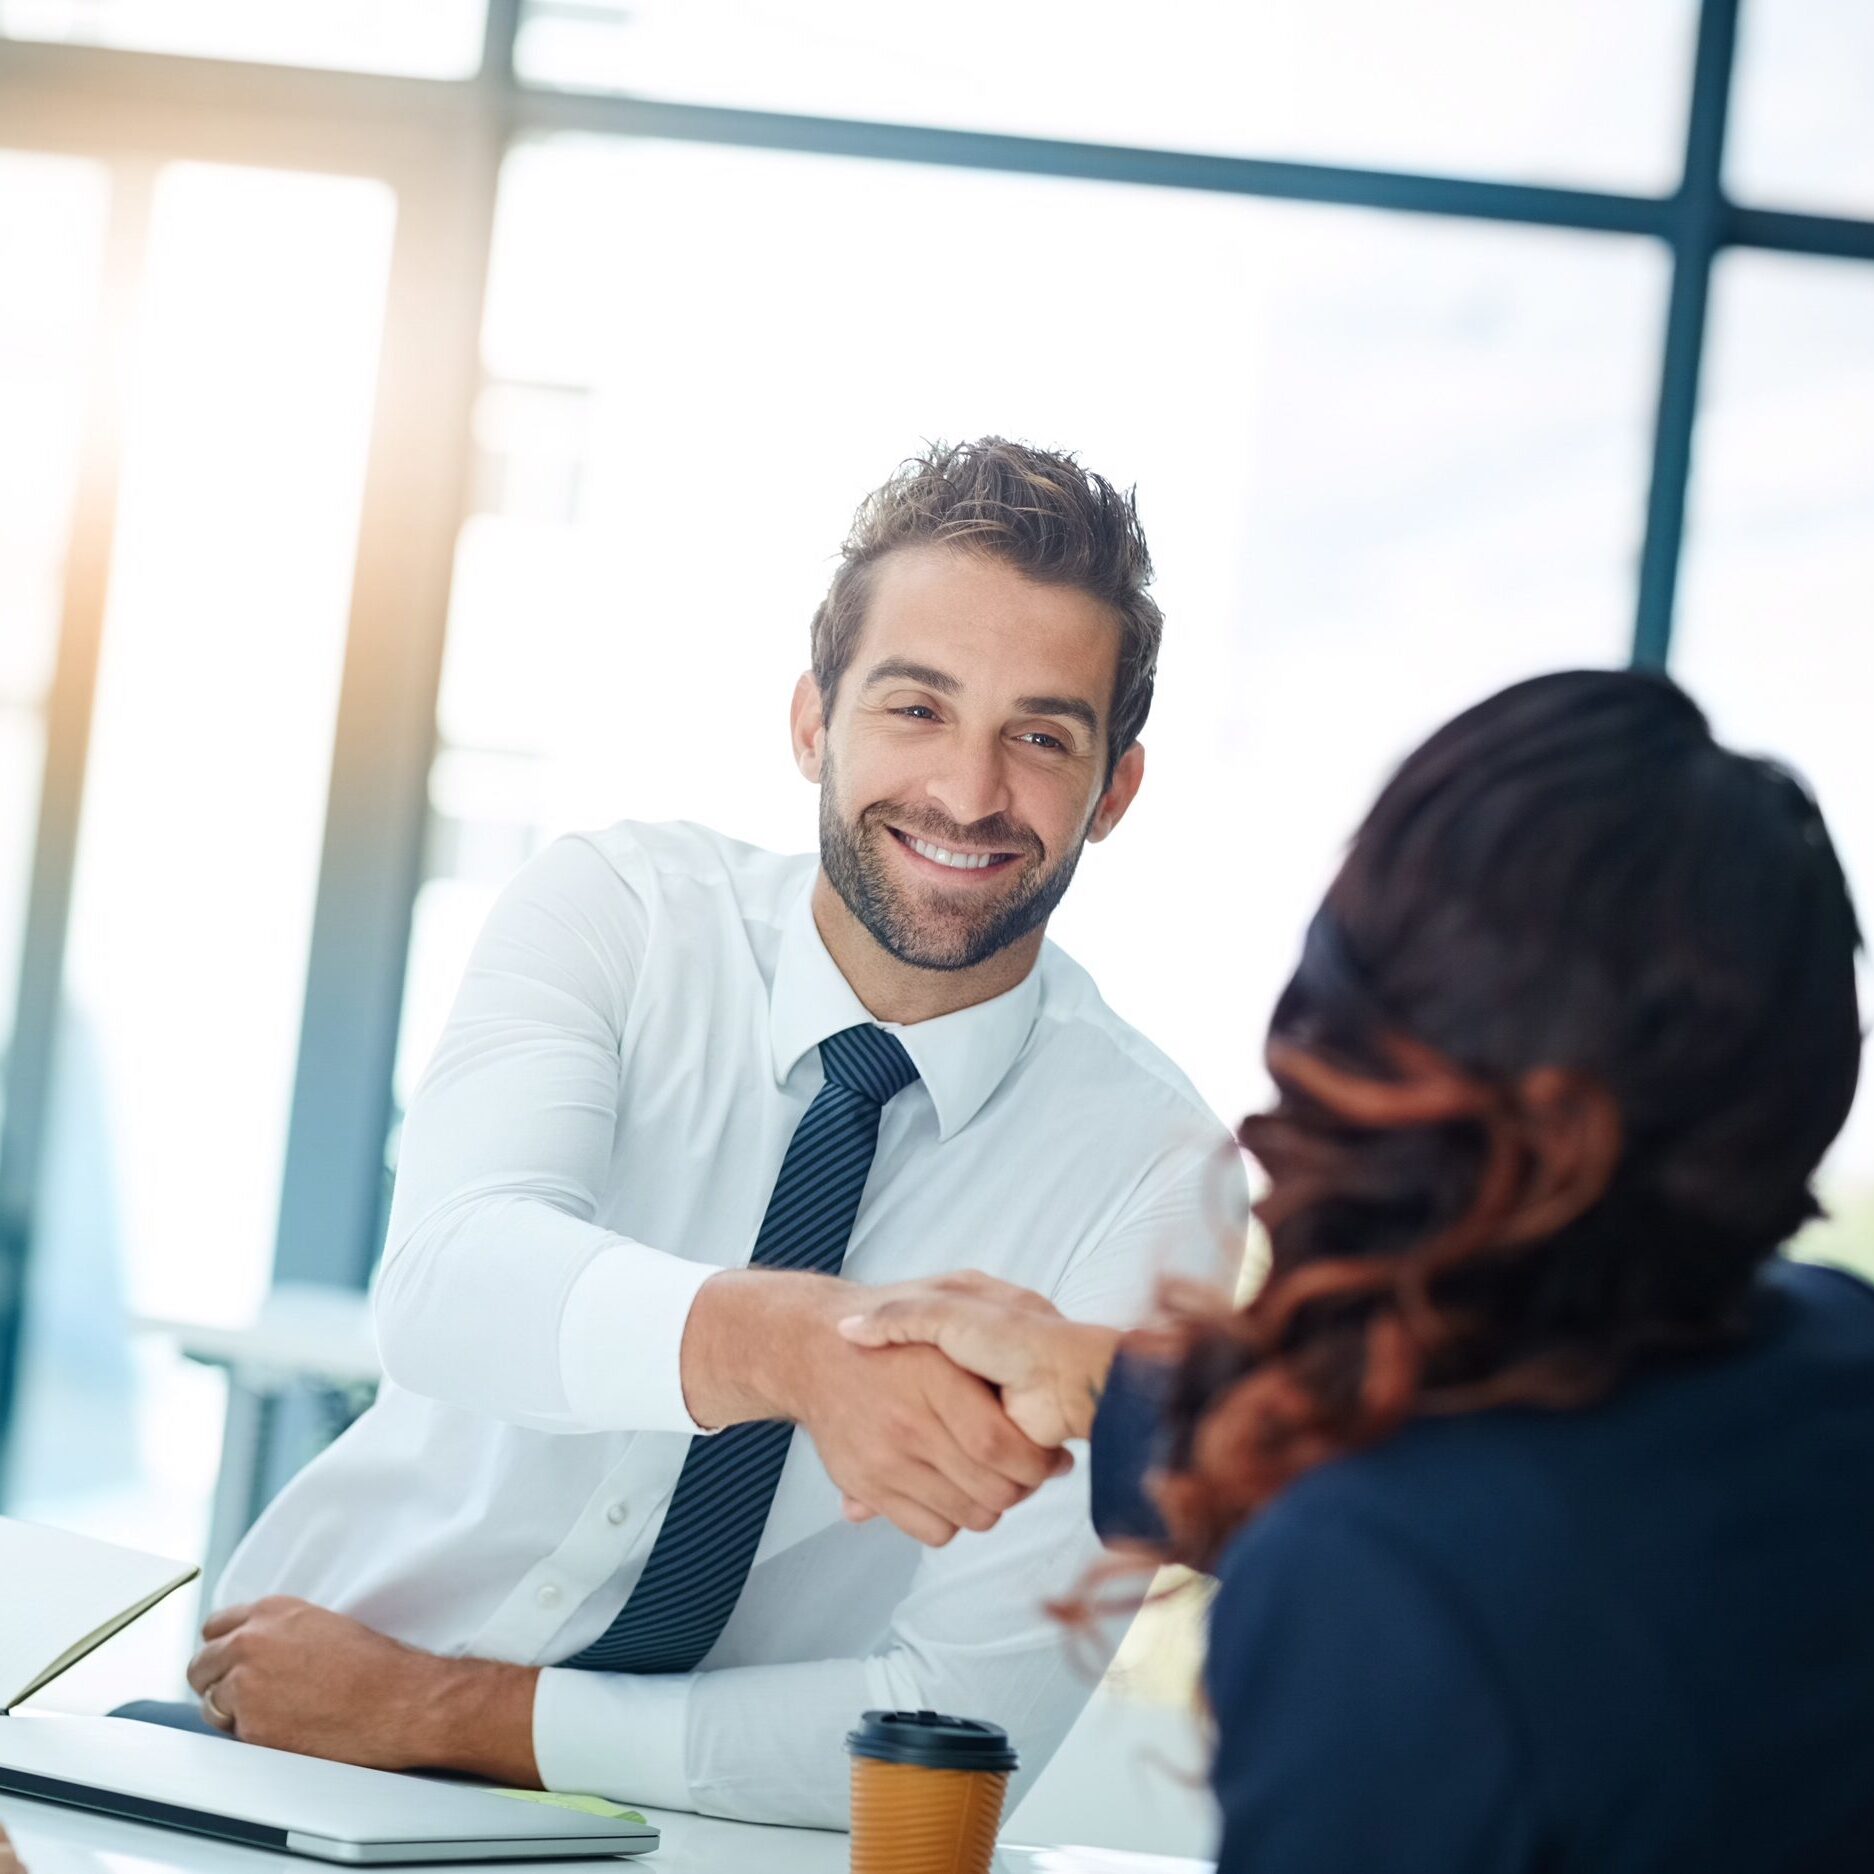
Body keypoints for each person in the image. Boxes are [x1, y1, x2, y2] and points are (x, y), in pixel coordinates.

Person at [147, 439, 1243, 1827]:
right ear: (811, 722)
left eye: (1040, 736)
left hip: (696, 1842)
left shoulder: (1156, 1172)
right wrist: (801, 1351)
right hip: (276, 1736)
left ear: (1116, 788)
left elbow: (958, 1722)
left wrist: (440, 1710)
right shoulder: (616, 913)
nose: (967, 793)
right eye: (915, 707)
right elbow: (447, 1282)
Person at [840, 669, 1874, 1873]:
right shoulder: (1834, 1355)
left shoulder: (1380, 1577)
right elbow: (1565, 1491)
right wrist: (1101, 1385)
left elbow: (1445, 1541)